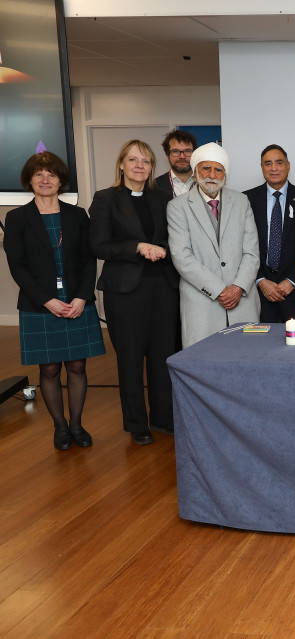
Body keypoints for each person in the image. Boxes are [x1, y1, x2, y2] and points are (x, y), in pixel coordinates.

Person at [3, 152, 105, 450]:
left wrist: (82, 297)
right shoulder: (17, 218)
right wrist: (46, 300)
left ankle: (76, 424)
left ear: (61, 180)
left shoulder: (77, 215)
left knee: (77, 366)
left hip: (76, 301)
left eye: (51, 175)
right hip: (40, 305)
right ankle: (60, 427)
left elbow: (89, 260)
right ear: (29, 180)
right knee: (48, 369)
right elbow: (17, 266)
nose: (45, 180)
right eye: (39, 175)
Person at [90, 139, 179, 445]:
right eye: (133, 160)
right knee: (130, 358)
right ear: (121, 164)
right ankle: (137, 423)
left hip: (163, 288)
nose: (140, 166)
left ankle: (163, 417)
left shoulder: (162, 198)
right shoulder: (106, 199)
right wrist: (138, 247)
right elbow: (99, 246)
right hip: (125, 291)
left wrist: (162, 250)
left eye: (146, 161)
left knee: (162, 356)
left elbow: (173, 239)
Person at [167, 142, 260, 348]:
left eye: (218, 170)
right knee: (203, 365)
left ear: (225, 174)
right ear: (195, 171)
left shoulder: (241, 201)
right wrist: (220, 290)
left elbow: (252, 252)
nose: (212, 175)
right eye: (206, 168)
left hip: (242, 302)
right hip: (202, 304)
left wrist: (237, 288)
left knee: (247, 360)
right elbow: (182, 257)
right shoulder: (177, 207)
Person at [244, 144, 295, 323]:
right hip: (259, 291)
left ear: (288, 166)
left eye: (279, 163)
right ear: (262, 167)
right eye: (268, 163)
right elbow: (240, 245)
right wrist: (260, 280)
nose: (273, 168)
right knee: (259, 346)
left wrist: (293, 280)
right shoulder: (246, 200)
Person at [155, 129, 197, 199]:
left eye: (187, 151)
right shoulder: (154, 187)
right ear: (167, 154)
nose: (182, 156)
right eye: (176, 151)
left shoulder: (205, 183)